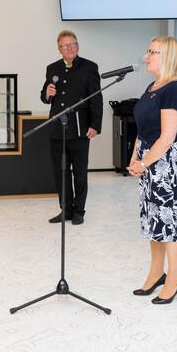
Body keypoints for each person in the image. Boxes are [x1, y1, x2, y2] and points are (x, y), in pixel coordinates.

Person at [127, 36, 177, 305]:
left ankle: (174, 280)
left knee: (169, 222)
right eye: (148, 50)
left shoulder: (175, 89)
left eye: (152, 51)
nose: (146, 56)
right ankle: (156, 274)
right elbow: (143, 129)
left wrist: (145, 162)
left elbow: (166, 138)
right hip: (148, 158)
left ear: (167, 56)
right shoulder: (152, 86)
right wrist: (135, 157)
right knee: (153, 221)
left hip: (165, 163)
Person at [40, 30, 102, 226]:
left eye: (73, 44)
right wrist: (47, 94)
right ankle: (65, 210)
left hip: (80, 128)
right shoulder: (52, 68)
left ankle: (79, 211)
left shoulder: (90, 67)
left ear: (77, 46)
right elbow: (44, 97)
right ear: (59, 49)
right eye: (66, 46)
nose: (70, 48)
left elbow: (96, 98)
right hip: (57, 129)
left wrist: (95, 125)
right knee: (61, 172)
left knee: (80, 173)